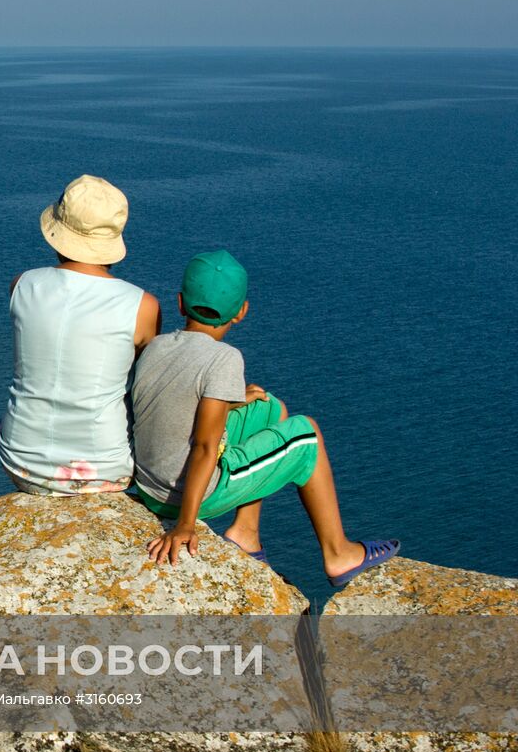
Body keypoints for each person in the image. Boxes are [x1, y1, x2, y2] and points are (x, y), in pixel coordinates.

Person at [130, 250, 399, 586]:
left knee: (270, 408)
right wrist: (186, 523)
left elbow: (170, 405)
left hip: (149, 484)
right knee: (306, 434)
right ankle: (338, 553)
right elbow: (203, 446)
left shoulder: (158, 345)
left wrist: (232, 402)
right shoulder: (224, 358)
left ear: (181, 303)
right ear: (241, 312)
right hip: (188, 496)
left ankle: (246, 533)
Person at [0, 175, 161, 496]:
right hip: (102, 471)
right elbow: (145, 383)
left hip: (19, 459)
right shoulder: (142, 306)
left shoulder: (22, 284)